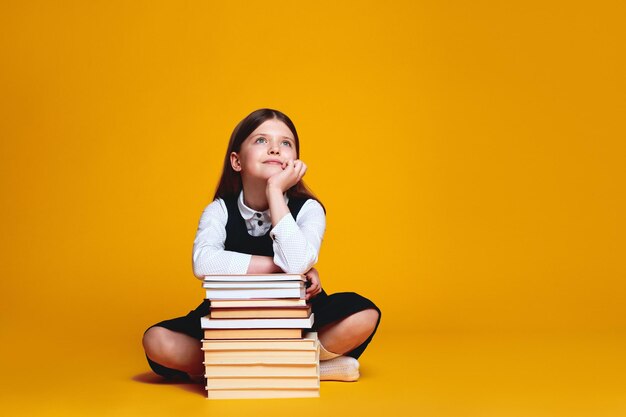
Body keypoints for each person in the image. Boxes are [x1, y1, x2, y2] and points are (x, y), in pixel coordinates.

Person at [142, 108, 381, 382]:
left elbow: (295, 262)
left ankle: (240, 369)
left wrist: (275, 192)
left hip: (299, 316)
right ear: (236, 161)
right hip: (230, 319)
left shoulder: (309, 209)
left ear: (295, 161)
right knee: (156, 340)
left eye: (286, 143)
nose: (275, 150)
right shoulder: (219, 209)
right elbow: (203, 262)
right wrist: (278, 269)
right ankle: (306, 367)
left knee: (364, 313)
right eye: (261, 141)